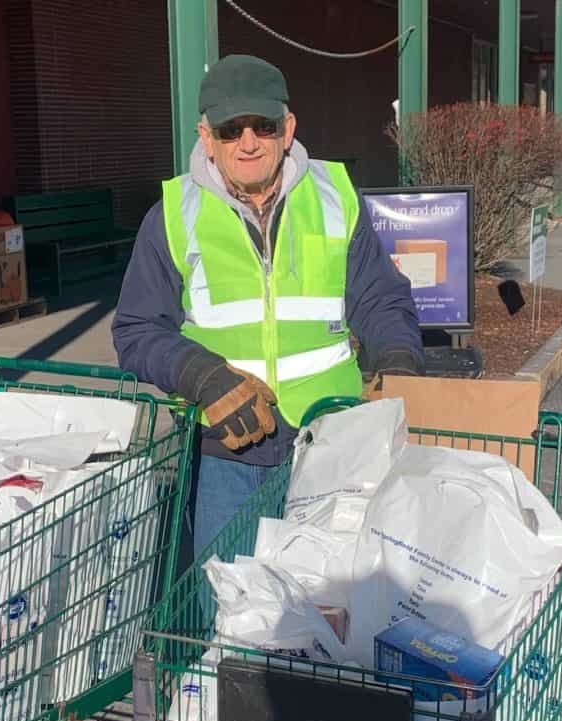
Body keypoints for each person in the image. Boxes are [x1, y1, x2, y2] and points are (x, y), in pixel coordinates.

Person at [112, 54, 424, 557]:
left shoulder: (336, 196)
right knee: (229, 611)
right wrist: (204, 375)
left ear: (288, 128)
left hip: (335, 438)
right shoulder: (171, 215)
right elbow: (136, 330)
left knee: (332, 605)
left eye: (263, 125)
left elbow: (380, 298)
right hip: (229, 453)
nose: (249, 142)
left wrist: (398, 361)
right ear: (206, 136)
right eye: (231, 130)